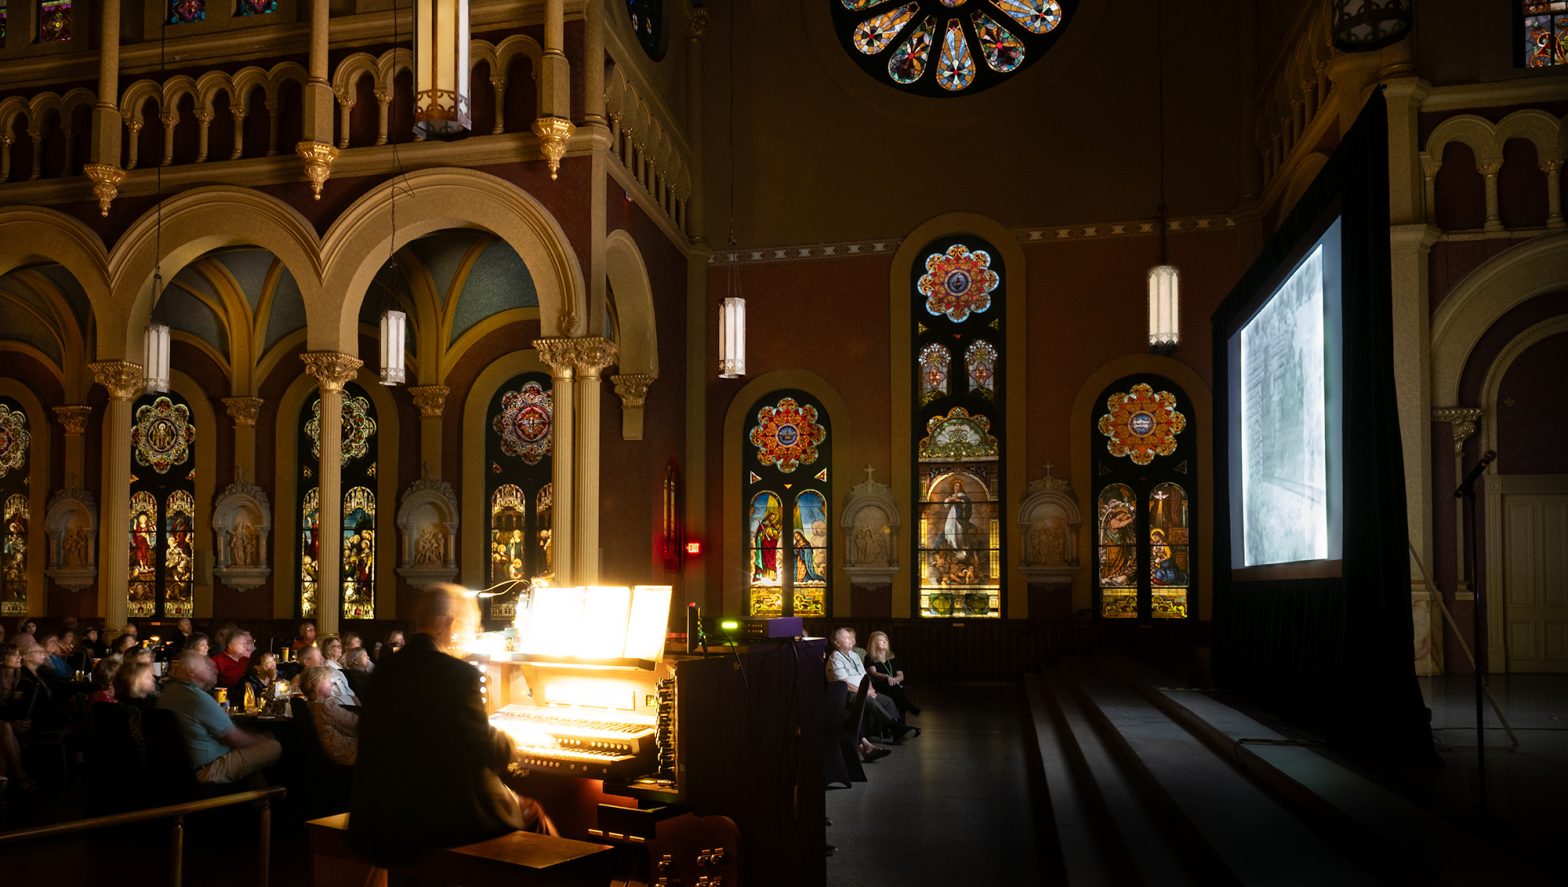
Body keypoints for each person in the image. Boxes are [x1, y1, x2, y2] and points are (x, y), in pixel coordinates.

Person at [351, 584, 553, 865]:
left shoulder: (385, 669)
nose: (473, 633)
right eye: (471, 624)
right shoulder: (458, 674)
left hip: (379, 814)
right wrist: (515, 741)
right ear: (447, 624)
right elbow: (480, 747)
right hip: (437, 818)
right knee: (534, 813)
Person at [156, 652, 281, 784]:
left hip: (177, 768)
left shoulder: (168, 692)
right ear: (193, 674)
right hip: (207, 770)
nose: (213, 670)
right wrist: (263, 738)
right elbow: (235, 739)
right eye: (207, 667)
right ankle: (269, 797)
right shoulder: (198, 698)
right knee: (273, 746)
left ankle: (260, 799)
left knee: (250, 754)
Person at [826, 627, 901, 758]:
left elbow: (865, 675)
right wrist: (864, 693)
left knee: (888, 701)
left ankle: (896, 732)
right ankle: (895, 725)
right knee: (867, 700)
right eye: (846, 637)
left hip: (863, 691)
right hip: (849, 695)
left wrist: (870, 688)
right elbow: (844, 685)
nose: (851, 639)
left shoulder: (855, 655)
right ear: (836, 642)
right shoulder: (835, 658)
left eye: (851, 637)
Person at [299, 666, 358, 766]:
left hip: (337, 751)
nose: (332, 684)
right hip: (346, 753)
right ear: (317, 686)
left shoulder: (311, 705)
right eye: (328, 681)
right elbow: (356, 725)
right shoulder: (326, 707)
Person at [0, 643, 36, 795]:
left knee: (2, 733)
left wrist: (17, 721)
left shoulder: (20, 678)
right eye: (15, 655)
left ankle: (2, 789)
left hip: (9, 722)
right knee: (4, 727)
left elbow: (19, 707)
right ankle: (21, 778)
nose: (19, 657)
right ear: (2, 660)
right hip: (6, 723)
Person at [864, 630, 921, 721]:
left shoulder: (892, 656)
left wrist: (895, 679)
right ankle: (907, 707)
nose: (885, 641)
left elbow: (901, 675)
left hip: (894, 685)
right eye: (881, 640)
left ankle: (900, 721)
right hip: (879, 685)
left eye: (886, 639)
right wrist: (886, 677)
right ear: (874, 643)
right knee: (891, 686)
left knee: (894, 688)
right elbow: (873, 673)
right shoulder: (869, 657)